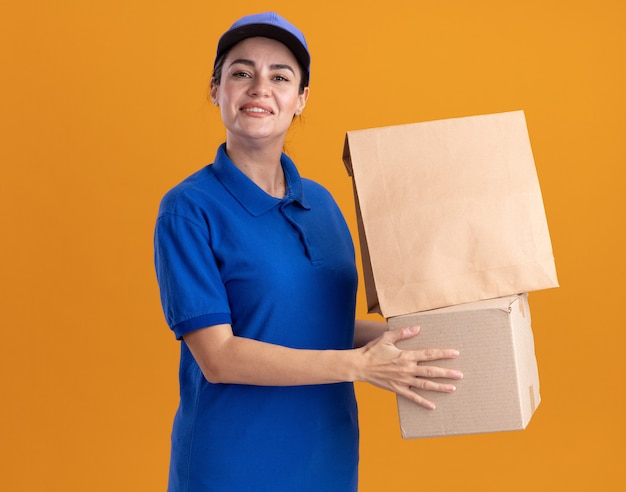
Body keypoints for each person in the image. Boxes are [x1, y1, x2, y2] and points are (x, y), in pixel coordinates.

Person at [154, 12, 463, 492]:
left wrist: (416, 340)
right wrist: (360, 366)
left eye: (280, 76)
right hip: (233, 465)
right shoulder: (188, 210)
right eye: (241, 72)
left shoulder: (320, 202)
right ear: (216, 90)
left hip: (327, 457)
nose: (260, 87)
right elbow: (220, 357)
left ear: (300, 100)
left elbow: (321, 326)